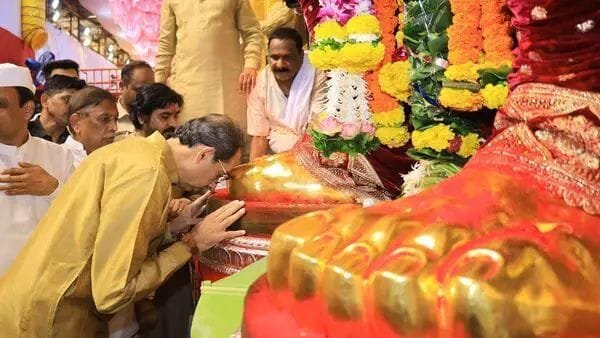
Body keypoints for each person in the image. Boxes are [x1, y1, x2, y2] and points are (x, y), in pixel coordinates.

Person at [0, 114, 247, 337]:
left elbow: (103, 234)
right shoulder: (148, 174)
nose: (212, 185)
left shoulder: (134, 151)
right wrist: (192, 243)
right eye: (219, 175)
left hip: (30, 300)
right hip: (50, 316)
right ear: (203, 154)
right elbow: (113, 293)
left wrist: (172, 229)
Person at [0, 63, 74, 276]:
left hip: (45, 283)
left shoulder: (60, 156)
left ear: (27, 110)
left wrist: (53, 188)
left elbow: (81, 215)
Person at [155, 0, 264, 131]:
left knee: (230, 139)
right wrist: (158, 84)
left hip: (228, 85)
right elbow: (166, 45)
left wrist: (250, 65)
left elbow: (252, 33)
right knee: (191, 142)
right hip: (188, 87)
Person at [247, 27, 326, 160]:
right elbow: (259, 136)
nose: (280, 64)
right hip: (276, 158)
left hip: (313, 154)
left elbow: (317, 128)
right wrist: (253, 173)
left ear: (301, 55)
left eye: (287, 57)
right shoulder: (261, 82)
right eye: (274, 57)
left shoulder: (316, 75)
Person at [62, 86, 119, 167]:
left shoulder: (118, 158)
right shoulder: (58, 160)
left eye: (116, 119)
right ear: (76, 123)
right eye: (104, 119)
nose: (114, 128)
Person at [28, 75, 86, 144]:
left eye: (76, 101)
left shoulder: (80, 139)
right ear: (45, 100)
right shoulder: (24, 134)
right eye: (66, 99)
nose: (72, 106)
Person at [117, 61, 155, 135]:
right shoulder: (108, 119)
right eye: (140, 89)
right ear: (122, 86)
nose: (146, 94)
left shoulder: (157, 116)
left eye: (150, 89)